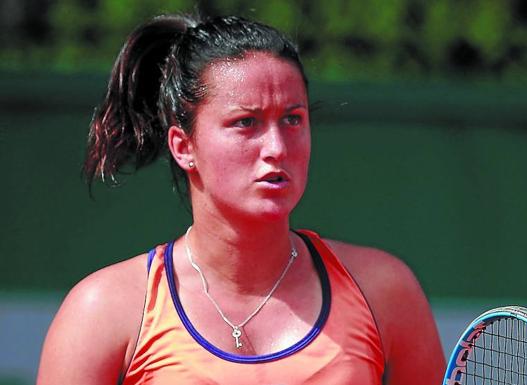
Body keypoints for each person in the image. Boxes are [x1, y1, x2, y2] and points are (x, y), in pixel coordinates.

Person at [36, 14, 445, 385]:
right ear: (183, 146)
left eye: (293, 119)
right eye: (245, 122)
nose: (277, 147)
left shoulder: (384, 290)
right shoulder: (103, 310)